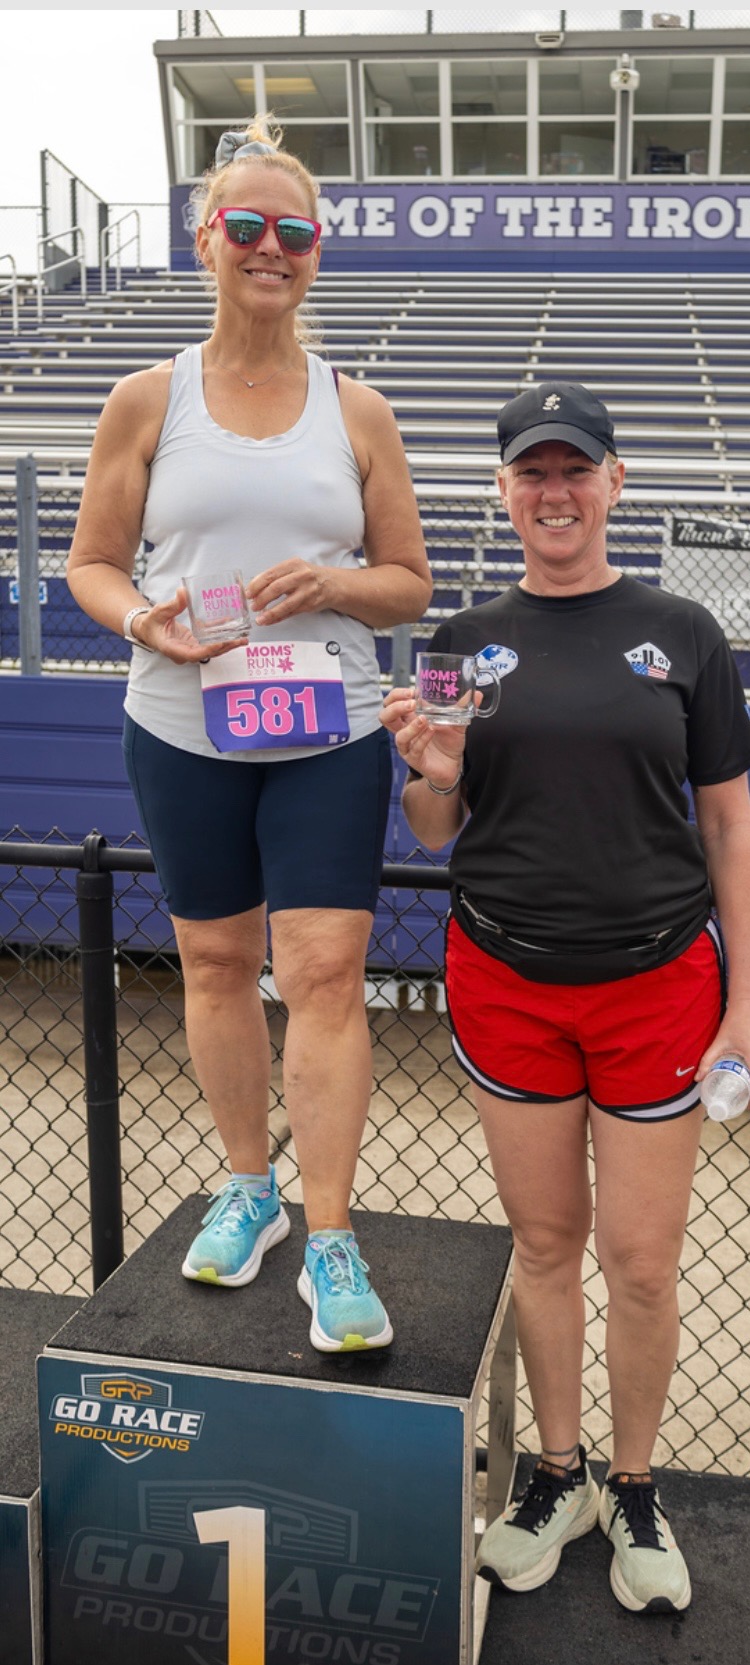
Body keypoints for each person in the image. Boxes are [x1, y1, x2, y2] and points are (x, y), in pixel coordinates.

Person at [380, 381, 750, 1611]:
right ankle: (556, 1475)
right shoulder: (460, 639)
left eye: (576, 469)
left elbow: (728, 823)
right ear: (503, 492)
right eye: (531, 471)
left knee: (644, 1263)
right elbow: (439, 827)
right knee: (546, 1248)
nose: (554, 492)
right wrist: (432, 772)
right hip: (507, 978)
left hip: (660, 986)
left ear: (614, 484)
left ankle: (637, 1482)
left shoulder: (683, 631)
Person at [66, 117, 432, 1353]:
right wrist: (146, 626)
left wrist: (330, 587)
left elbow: (410, 584)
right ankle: (248, 1187)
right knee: (216, 965)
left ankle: (331, 1236)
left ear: (317, 253)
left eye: (296, 231)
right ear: (207, 240)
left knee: (324, 973)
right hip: (181, 724)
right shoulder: (147, 398)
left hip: (323, 727)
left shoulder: (362, 409)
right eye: (247, 227)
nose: (272, 248)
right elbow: (92, 566)